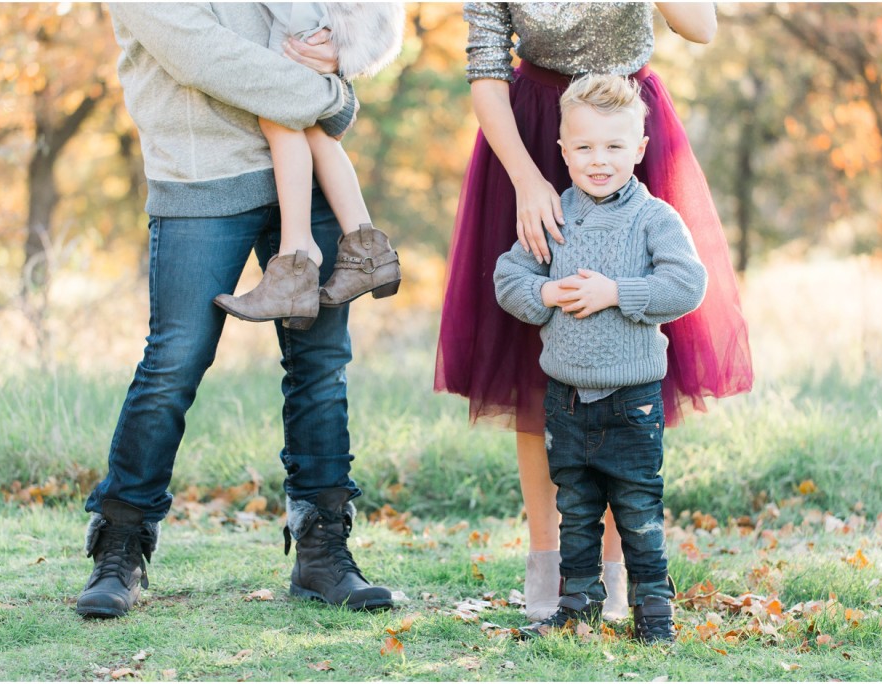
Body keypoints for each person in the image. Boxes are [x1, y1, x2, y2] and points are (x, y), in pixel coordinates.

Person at [434, 3, 753, 622]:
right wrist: (527, 180)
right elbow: (486, 68)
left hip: (622, 126)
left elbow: (701, 28)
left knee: (624, 355)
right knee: (531, 363)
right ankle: (549, 568)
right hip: (530, 138)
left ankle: (617, 574)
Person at [76, 3, 393, 619]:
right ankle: (121, 543)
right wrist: (329, 95)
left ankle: (323, 549)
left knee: (321, 364)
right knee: (176, 359)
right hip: (202, 178)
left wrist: (344, 54)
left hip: (306, 172)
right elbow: (203, 56)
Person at [494, 73, 707, 642]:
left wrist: (618, 293)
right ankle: (577, 607)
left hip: (632, 402)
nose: (598, 160)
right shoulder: (554, 214)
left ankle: (653, 615)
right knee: (578, 514)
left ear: (638, 149)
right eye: (584, 146)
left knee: (638, 512)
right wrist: (543, 294)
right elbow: (508, 276)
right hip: (566, 400)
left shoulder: (654, 218)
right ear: (562, 150)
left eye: (614, 147)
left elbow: (687, 284)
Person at [214, 3, 404, 329]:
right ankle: (368, 251)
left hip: (302, 14)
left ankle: (297, 256)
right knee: (311, 126)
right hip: (316, 15)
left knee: (278, 113)